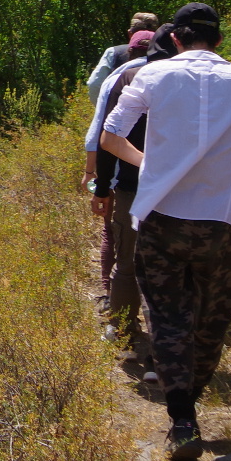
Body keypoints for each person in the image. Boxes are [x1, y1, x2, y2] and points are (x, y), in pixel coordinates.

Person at [101, 3, 231, 461]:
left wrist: (148, 163)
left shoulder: (153, 77)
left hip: (163, 219)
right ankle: (190, 404)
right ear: (219, 40)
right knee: (211, 324)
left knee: (168, 319)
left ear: (175, 38)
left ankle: (182, 421)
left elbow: (112, 136)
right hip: (224, 222)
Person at [87, 26, 176, 379]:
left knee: (128, 265)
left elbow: (109, 136)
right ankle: (161, 354)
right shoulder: (195, 83)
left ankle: (125, 339)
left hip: (132, 187)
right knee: (169, 274)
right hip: (181, 190)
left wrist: (101, 188)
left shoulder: (128, 77)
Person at [83, 11, 161, 300]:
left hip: (123, 171)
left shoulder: (118, 68)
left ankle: (111, 298)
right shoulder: (177, 74)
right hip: (168, 178)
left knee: (114, 232)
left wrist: (93, 175)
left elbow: (101, 132)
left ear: (131, 37)